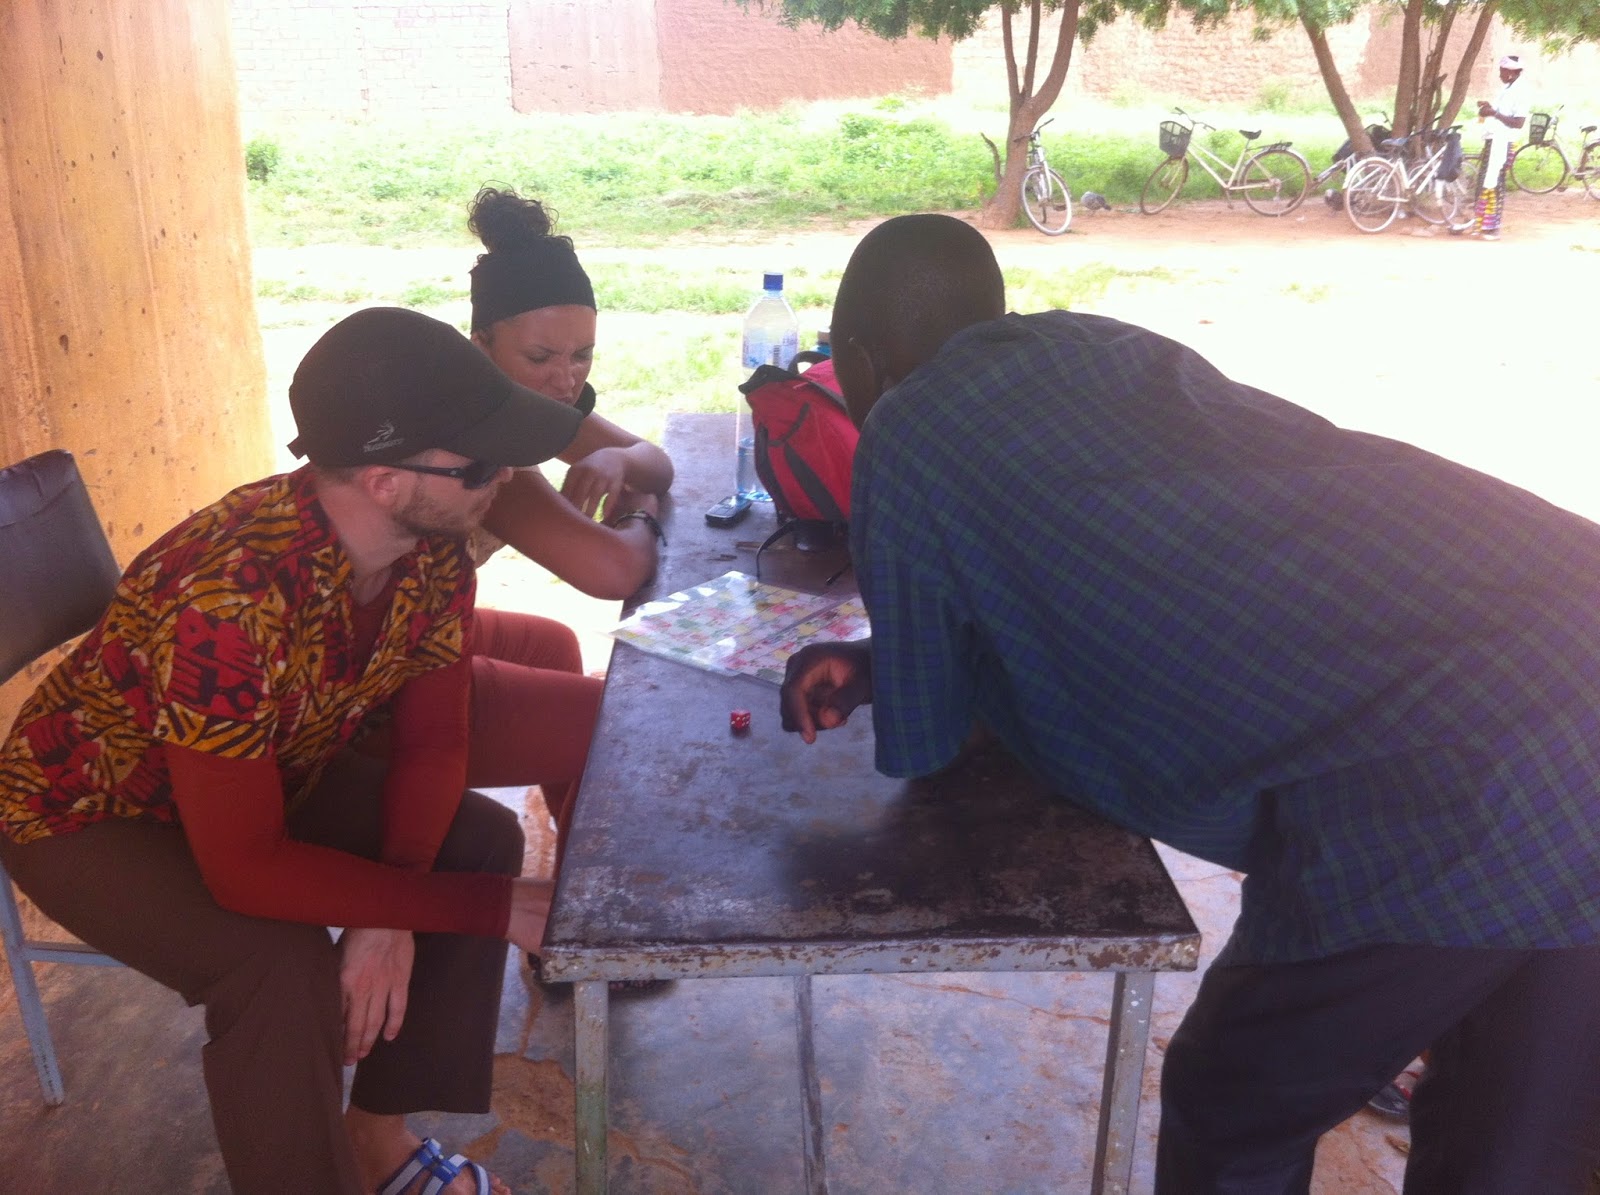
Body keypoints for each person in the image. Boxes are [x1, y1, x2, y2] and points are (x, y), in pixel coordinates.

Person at [780, 213, 1600, 1193]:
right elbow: (1128, 554)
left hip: (1458, 765)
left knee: (1233, 1104)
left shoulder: (904, 432)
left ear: (860, 356)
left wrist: (911, 668)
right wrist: (886, 658)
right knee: (1510, 1134)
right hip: (1567, 615)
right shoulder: (1099, 344)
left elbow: (933, 743)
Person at [0, 307, 585, 1195]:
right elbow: (245, 871)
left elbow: (435, 740)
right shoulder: (228, 596)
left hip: (262, 770)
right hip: (88, 814)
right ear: (384, 481)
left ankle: (378, 1145)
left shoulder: (431, 550)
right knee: (278, 963)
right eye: (478, 464)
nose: (503, 477)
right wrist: (485, 908)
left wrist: (393, 909)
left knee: (478, 842)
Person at [458, 185, 673, 853]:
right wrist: (638, 508)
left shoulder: (524, 400)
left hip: (427, 624)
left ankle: (573, 854)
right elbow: (614, 571)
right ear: (481, 344)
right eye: (541, 357)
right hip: (370, 668)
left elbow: (657, 462)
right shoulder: (472, 440)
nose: (566, 379)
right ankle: (595, 884)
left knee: (550, 648)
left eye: (582, 355)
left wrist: (618, 458)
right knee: (607, 722)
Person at [1466, 54, 1528, 240]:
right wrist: (1490, 108)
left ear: (1511, 72)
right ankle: (1481, 225)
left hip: (1503, 143)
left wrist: (1494, 113)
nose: (1500, 74)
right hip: (1494, 140)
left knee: (1495, 184)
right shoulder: (1507, 89)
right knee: (1484, 183)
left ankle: (1492, 228)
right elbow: (1502, 113)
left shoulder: (1521, 92)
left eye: (1502, 71)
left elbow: (1518, 122)